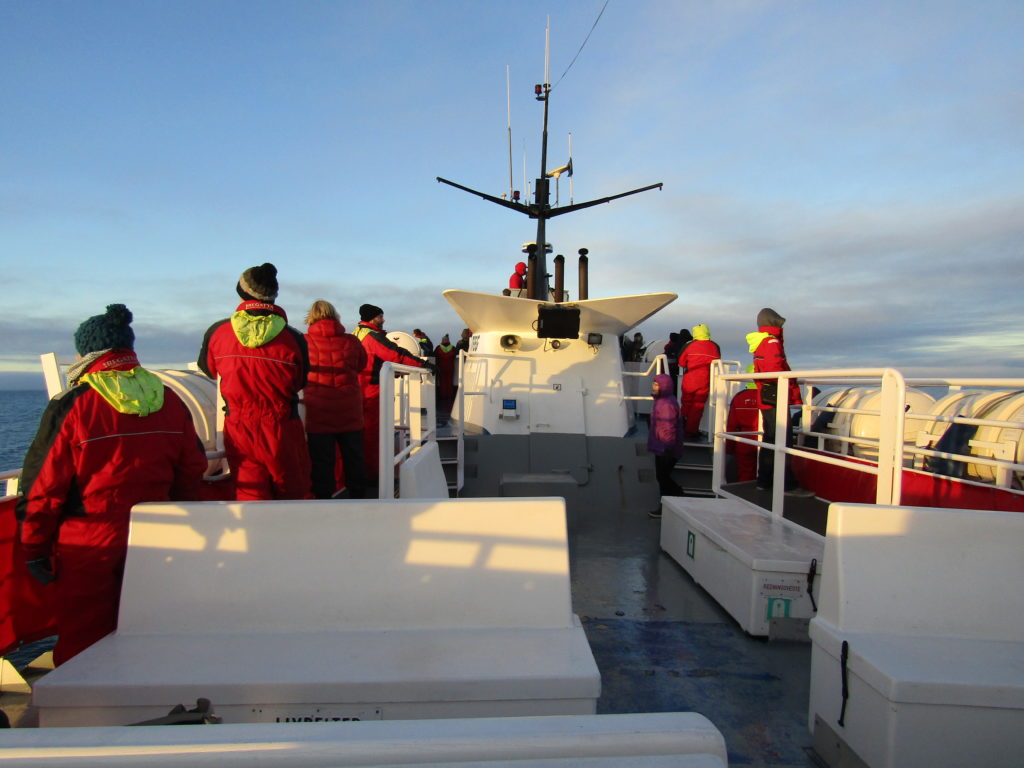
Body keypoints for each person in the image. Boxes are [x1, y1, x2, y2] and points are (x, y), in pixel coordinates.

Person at [18, 304, 207, 664]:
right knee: (150, 630)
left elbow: (44, 485)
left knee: (84, 642)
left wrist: (34, 547)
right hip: (158, 536)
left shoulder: (74, 404)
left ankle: (84, 713)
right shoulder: (167, 399)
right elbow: (191, 468)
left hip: (89, 541)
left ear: (87, 354)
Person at [198, 263, 312, 501]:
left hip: (239, 426)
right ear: (273, 297)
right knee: (292, 492)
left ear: (241, 292)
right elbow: (301, 382)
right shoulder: (294, 338)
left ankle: (256, 536)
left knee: (250, 492)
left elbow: (208, 369)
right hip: (282, 425)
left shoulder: (218, 332)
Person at [354, 304, 428, 484]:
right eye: (380, 317)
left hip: (357, 390)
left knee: (358, 435)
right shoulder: (373, 337)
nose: (383, 320)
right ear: (373, 319)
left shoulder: (356, 334)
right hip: (372, 392)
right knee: (373, 436)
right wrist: (423, 365)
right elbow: (396, 355)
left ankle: (359, 473)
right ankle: (374, 477)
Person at [303, 300, 368, 499]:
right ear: (335, 315)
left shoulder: (304, 341)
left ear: (311, 317)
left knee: (322, 462)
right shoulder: (351, 341)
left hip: (318, 411)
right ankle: (358, 500)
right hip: (349, 409)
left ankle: (325, 503)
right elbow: (361, 364)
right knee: (354, 458)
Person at [746, 308, 813, 497]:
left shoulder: (762, 341)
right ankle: (787, 485)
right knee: (783, 442)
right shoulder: (772, 341)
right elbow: (774, 368)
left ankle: (764, 481)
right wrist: (789, 378)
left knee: (771, 440)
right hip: (776, 398)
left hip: (767, 398)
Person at [647, 373, 686, 518]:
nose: (653, 386)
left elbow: (668, 427)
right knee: (662, 477)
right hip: (663, 446)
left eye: (656, 384)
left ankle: (672, 501)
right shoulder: (663, 401)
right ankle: (674, 499)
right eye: (654, 383)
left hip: (665, 448)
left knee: (662, 477)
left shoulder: (665, 404)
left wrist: (667, 447)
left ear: (664, 386)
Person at [678, 323, 721, 439]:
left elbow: (681, 362)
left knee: (686, 404)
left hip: (689, 379)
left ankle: (680, 428)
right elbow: (718, 362)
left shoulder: (690, 345)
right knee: (698, 407)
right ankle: (691, 431)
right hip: (705, 381)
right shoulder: (714, 346)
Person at [434, 333, 457, 417]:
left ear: (442, 341)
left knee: (442, 382)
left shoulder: (438, 348)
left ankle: (443, 396)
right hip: (450, 367)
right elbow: (455, 355)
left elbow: (434, 355)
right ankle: (450, 396)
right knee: (449, 382)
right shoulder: (453, 348)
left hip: (441, 367)